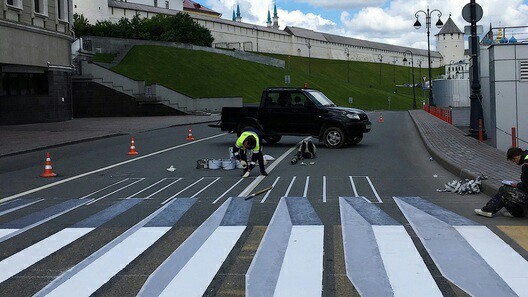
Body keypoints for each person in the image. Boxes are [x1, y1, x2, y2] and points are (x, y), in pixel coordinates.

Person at [475, 147, 528, 218]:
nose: (515, 163)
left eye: (513, 161)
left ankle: (488, 210)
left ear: (516, 157)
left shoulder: (526, 165)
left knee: (503, 190)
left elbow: (526, 186)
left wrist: (517, 185)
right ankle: (488, 210)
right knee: (506, 192)